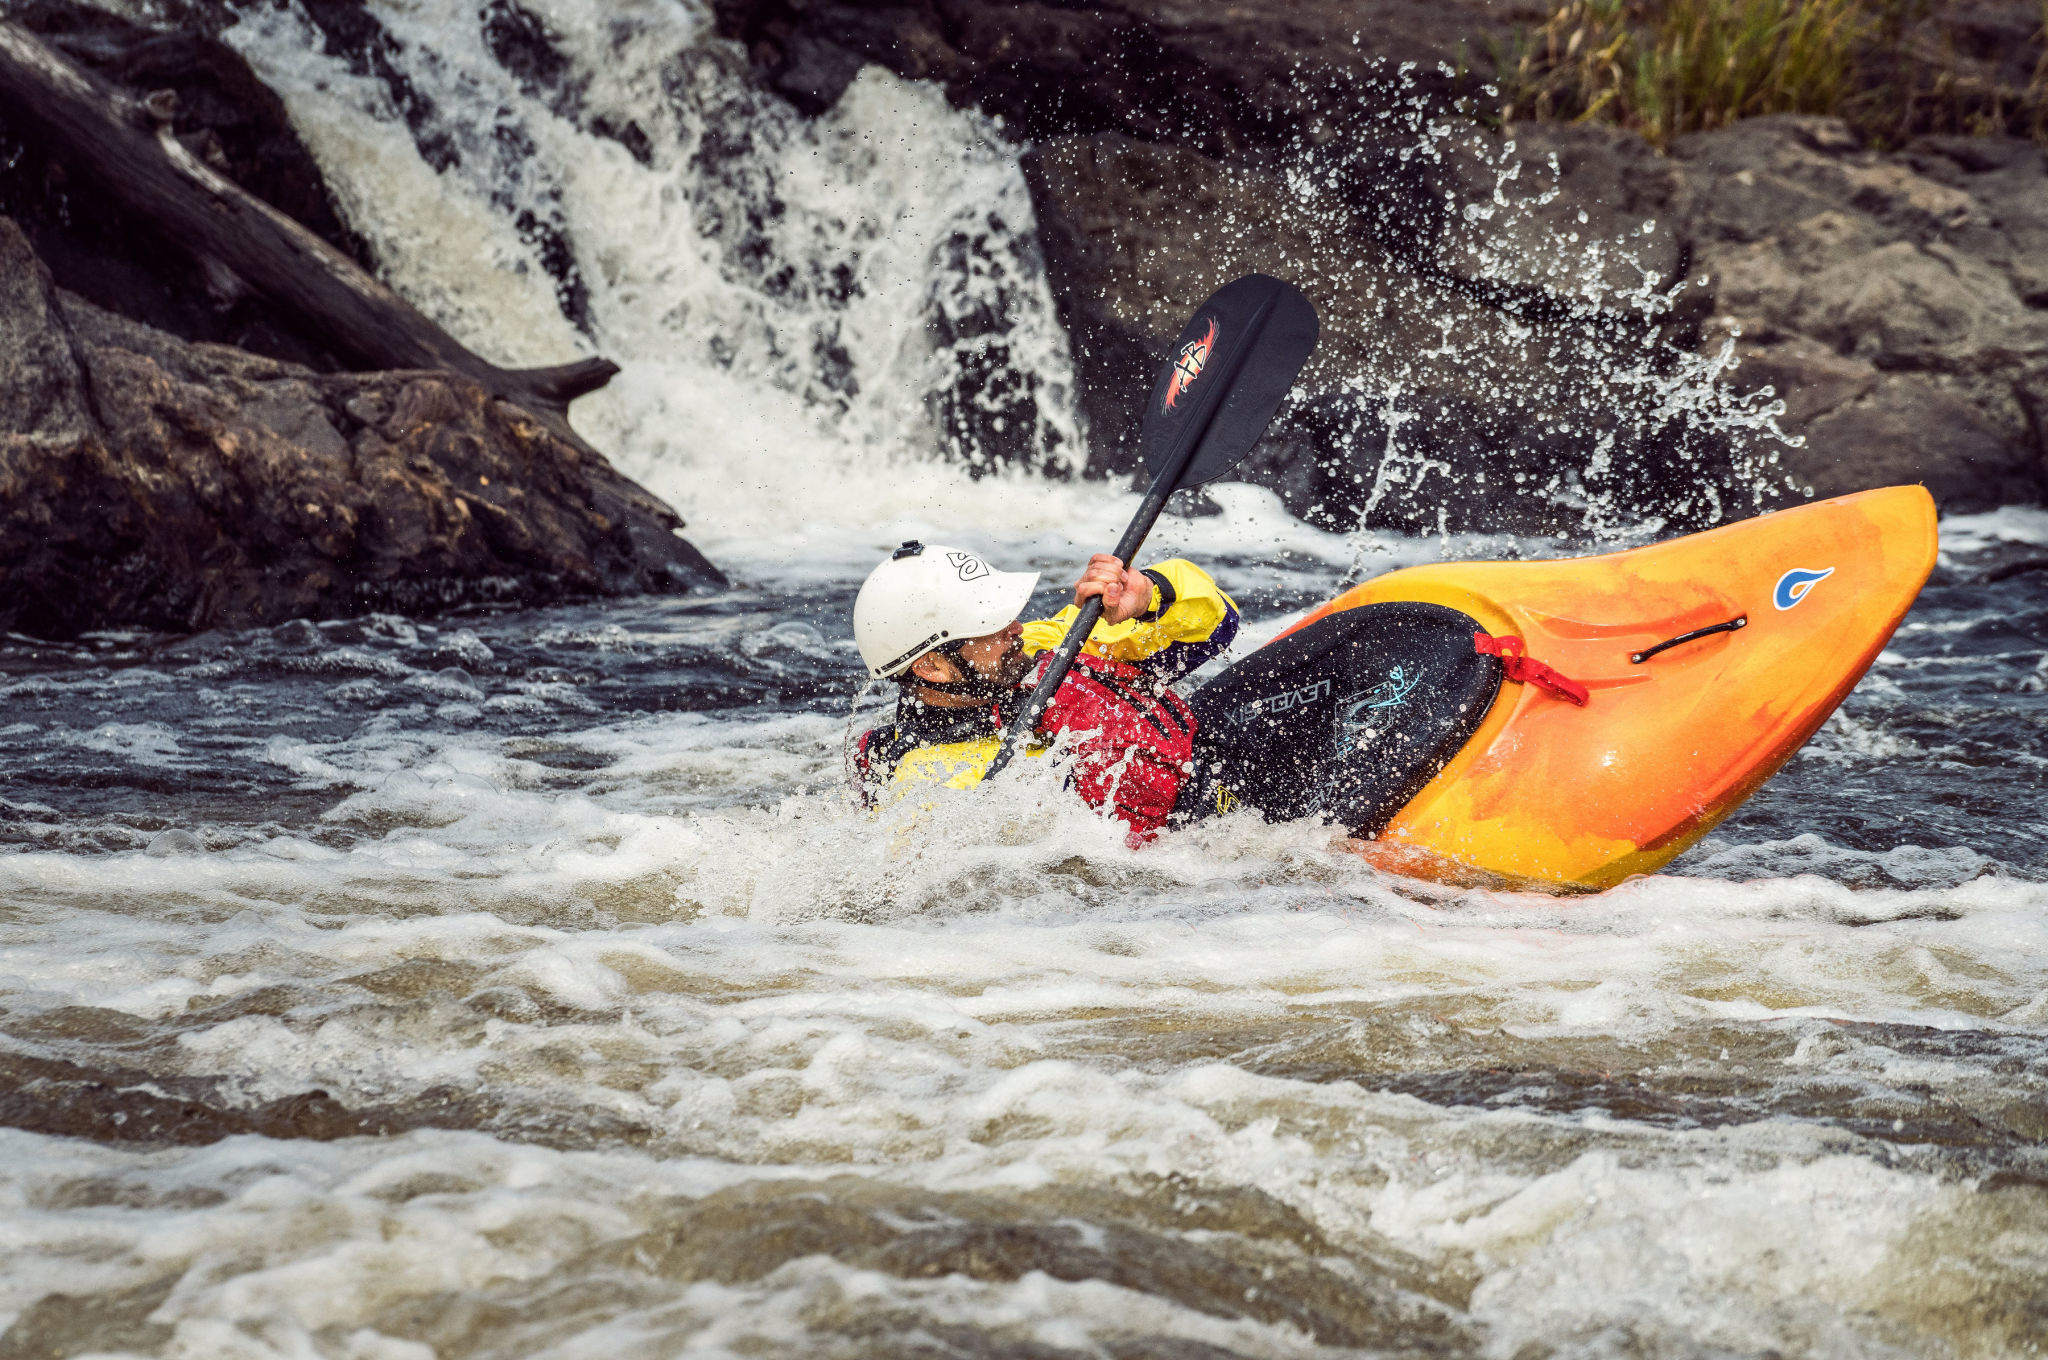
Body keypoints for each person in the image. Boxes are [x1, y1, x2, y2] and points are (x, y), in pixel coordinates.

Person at [852, 541, 1239, 836]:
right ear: (932, 666)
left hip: (1218, 762)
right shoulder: (935, 792)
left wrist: (1147, 596)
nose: (1016, 627)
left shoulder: (1032, 651)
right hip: (1209, 849)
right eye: (991, 623)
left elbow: (1219, 621)